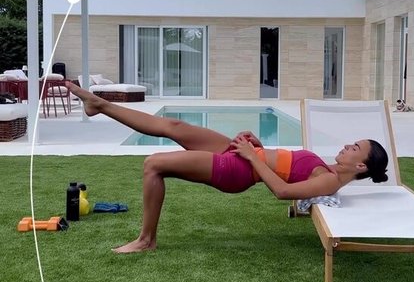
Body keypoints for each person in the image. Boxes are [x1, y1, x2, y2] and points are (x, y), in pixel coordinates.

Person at [67, 83, 389, 254]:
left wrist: (252, 157)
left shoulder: (328, 180)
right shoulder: (326, 166)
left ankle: (145, 240)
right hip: (245, 156)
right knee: (173, 125)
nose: (347, 146)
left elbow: (283, 191)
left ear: (361, 165)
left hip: (238, 171)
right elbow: (285, 164)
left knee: (153, 165)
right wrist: (257, 145)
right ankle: (101, 105)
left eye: (355, 148)